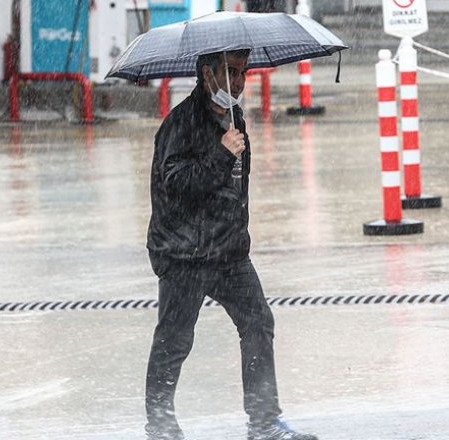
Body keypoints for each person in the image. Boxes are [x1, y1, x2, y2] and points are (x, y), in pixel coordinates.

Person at [144, 50, 318, 440]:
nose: (238, 81)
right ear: (207, 74)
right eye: (231, 72)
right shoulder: (181, 123)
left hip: (227, 250)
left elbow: (235, 186)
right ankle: (160, 423)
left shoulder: (234, 116)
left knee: (257, 321)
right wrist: (221, 153)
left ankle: (263, 422)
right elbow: (178, 184)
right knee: (175, 337)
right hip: (185, 252)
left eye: (243, 72)